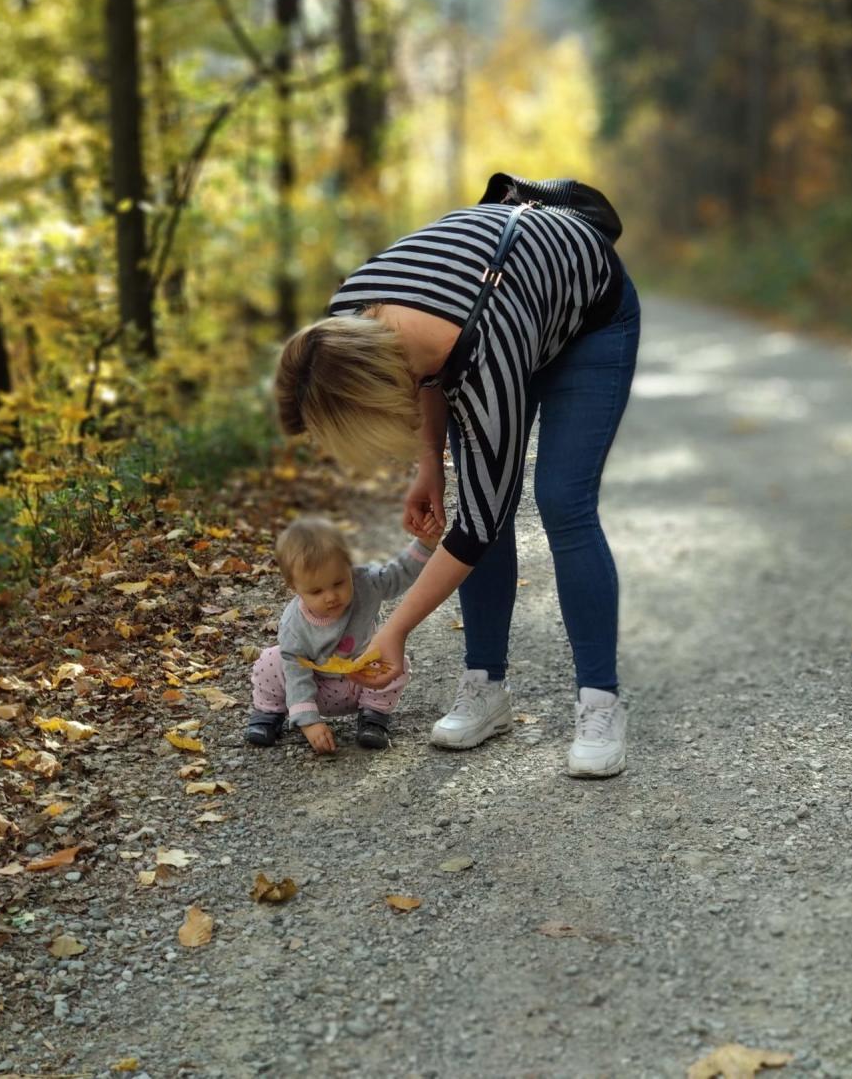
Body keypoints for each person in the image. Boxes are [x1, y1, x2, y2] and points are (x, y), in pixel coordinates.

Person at [274, 192, 640, 778]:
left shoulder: (483, 351)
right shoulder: (346, 321)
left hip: (588, 319)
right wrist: (429, 465)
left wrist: (393, 631)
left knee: (561, 501)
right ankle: (485, 687)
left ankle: (600, 702)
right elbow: (416, 368)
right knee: (475, 485)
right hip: (492, 308)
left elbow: (479, 524)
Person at [245, 516, 440, 753]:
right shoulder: (293, 625)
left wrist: (425, 545)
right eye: (316, 591)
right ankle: (268, 713)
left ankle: (373, 716)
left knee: (396, 662)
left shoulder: (366, 582)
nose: (331, 597)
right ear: (294, 587)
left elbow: (398, 574)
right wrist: (309, 722)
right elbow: (296, 675)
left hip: (362, 681)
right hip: (316, 688)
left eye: (339, 583)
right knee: (270, 661)